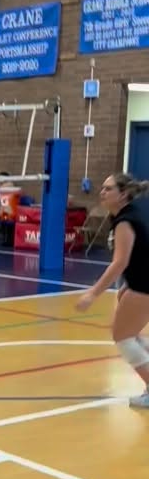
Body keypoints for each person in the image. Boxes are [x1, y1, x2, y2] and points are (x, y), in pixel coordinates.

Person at [76, 171, 149, 407]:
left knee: (123, 338)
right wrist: (129, 284)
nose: (102, 192)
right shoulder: (134, 212)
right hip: (140, 282)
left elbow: (120, 263)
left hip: (145, 285)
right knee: (131, 334)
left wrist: (92, 293)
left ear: (123, 194)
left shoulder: (125, 221)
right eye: (103, 188)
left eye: (108, 189)